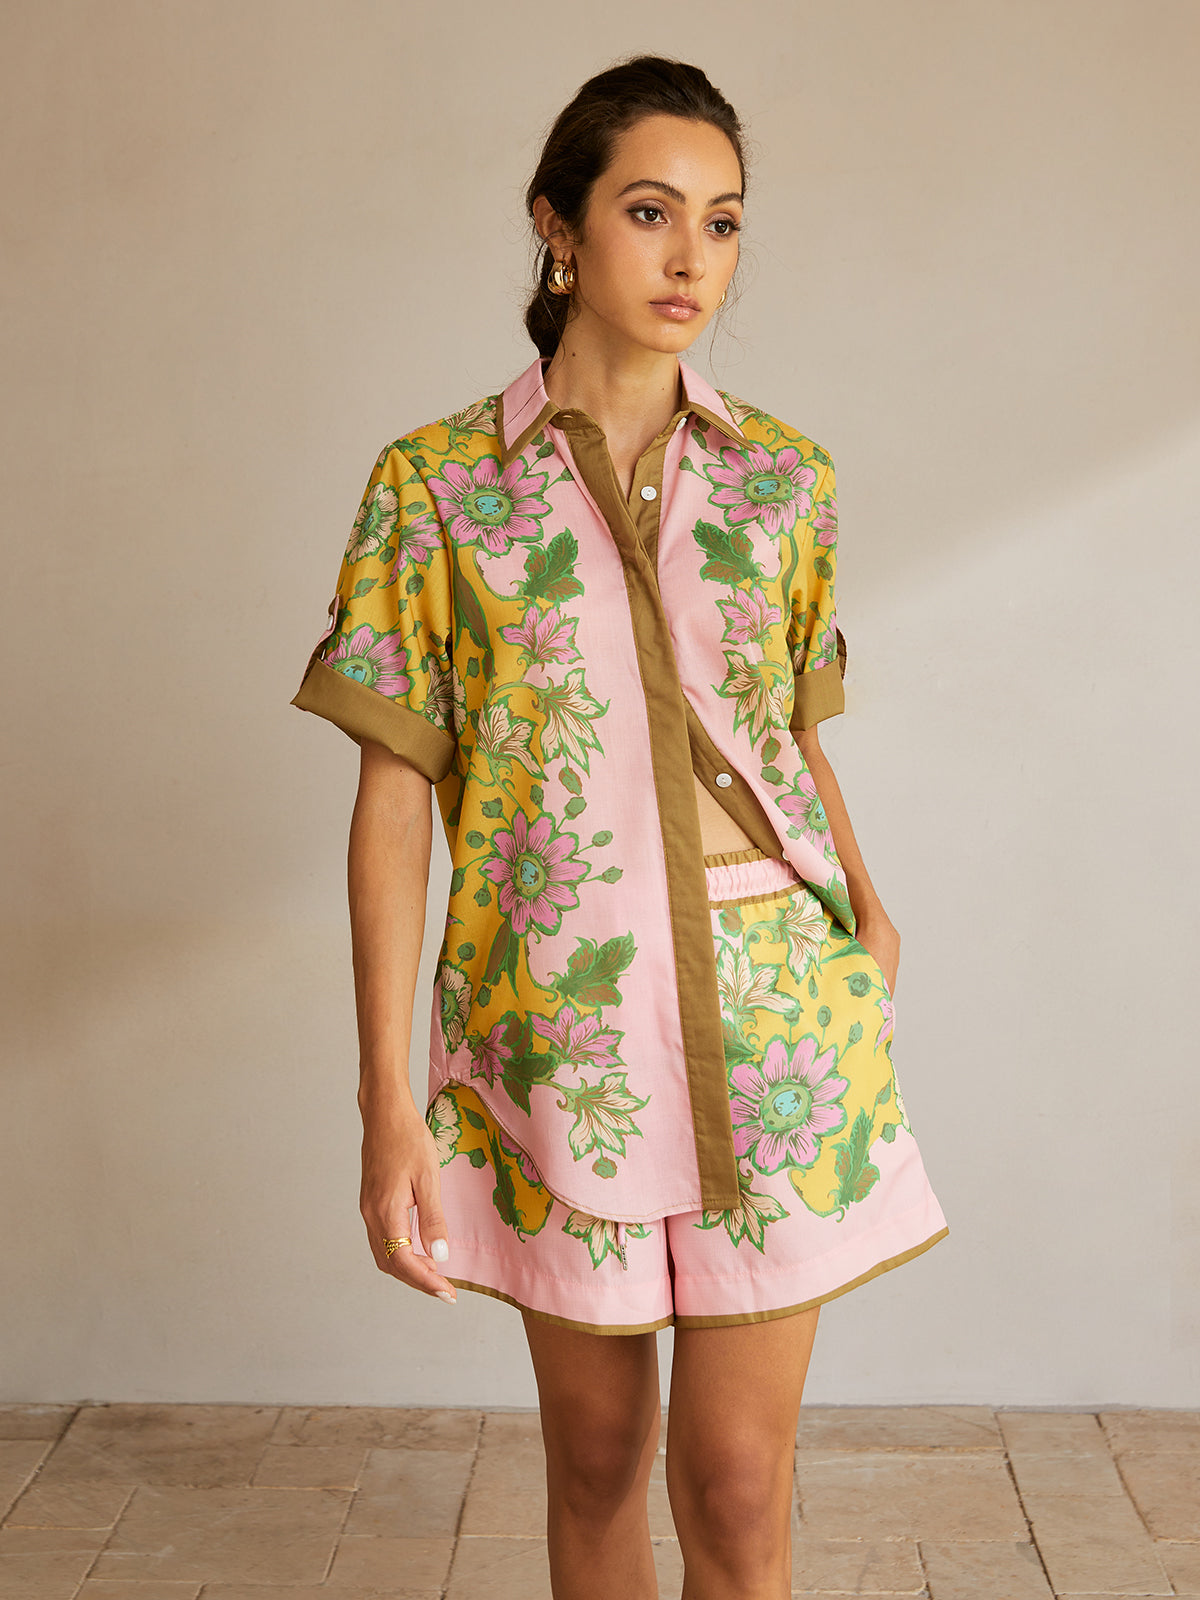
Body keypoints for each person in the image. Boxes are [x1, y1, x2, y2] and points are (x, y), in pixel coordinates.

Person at [292, 54, 949, 1600]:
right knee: (594, 1462)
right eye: (650, 212)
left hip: (779, 1025)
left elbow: (789, 737)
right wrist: (389, 1102)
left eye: (722, 222)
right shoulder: (436, 489)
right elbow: (393, 803)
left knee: (738, 1483)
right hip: (557, 1036)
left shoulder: (785, 481)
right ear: (558, 226)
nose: (690, 258)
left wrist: (868, 911)